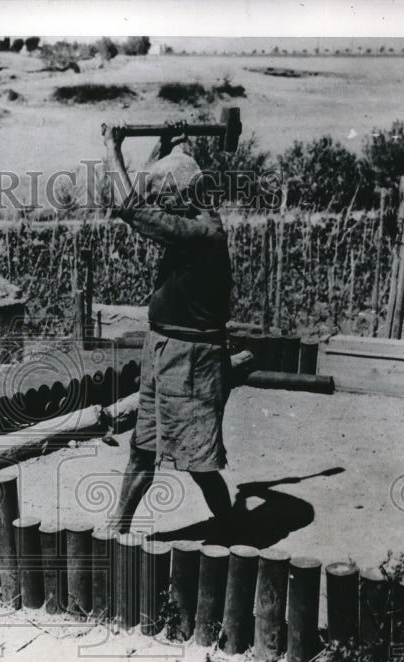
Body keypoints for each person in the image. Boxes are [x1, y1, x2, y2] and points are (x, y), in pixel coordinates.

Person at [102, 125, 234, 534]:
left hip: (191, 360)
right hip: (162, 350)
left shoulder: (199, 233)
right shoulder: (194, 212)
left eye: (165, 199)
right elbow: (147, 190)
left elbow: (129, 205)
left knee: (198, 460)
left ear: (180, 197)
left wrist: (111, 147)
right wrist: (170, 142)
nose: (159, 205)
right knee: (142, 449)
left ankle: (230, 528)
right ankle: (116, 528)